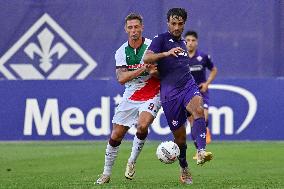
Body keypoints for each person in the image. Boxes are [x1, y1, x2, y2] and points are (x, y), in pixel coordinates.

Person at [143, 8, 213, 184]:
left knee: (199, 109)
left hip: (188, 86)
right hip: (170, 95)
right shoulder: (161, 40)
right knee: (180, 139)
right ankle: (183, 165)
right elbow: (147, 58)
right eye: (173, 23)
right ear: (168, 23)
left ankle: (201, 151)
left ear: (184, 24)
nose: (176, 27)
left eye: (180, 24)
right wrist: (165, 54)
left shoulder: (182, 43)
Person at [96, 13, 161, 185]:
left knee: (142, 125)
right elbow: (122, 78)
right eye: (130, 27)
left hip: (153, 90)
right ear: (126, 29)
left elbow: (161, 72)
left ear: (142, 28)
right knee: (116, 134)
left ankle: (132, 160)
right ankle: (106, 173)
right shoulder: (121, 52)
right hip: (131, 92)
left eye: (136, 27)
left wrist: (155, 72)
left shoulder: (151, 47)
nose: (134, 30)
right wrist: (143, 69)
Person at [184, 30, 218, 159]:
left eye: (193, 40)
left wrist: (207, 83)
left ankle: (204, 133)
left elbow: (214, 70)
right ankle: (199, 150)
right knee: (192, 123)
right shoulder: (181, 58)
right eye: (188, 40)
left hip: (202, 92)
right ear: (184, 42)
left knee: (203, 118)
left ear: (196, 42)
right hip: (188, 93)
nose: (190, 43)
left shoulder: (203, 57)